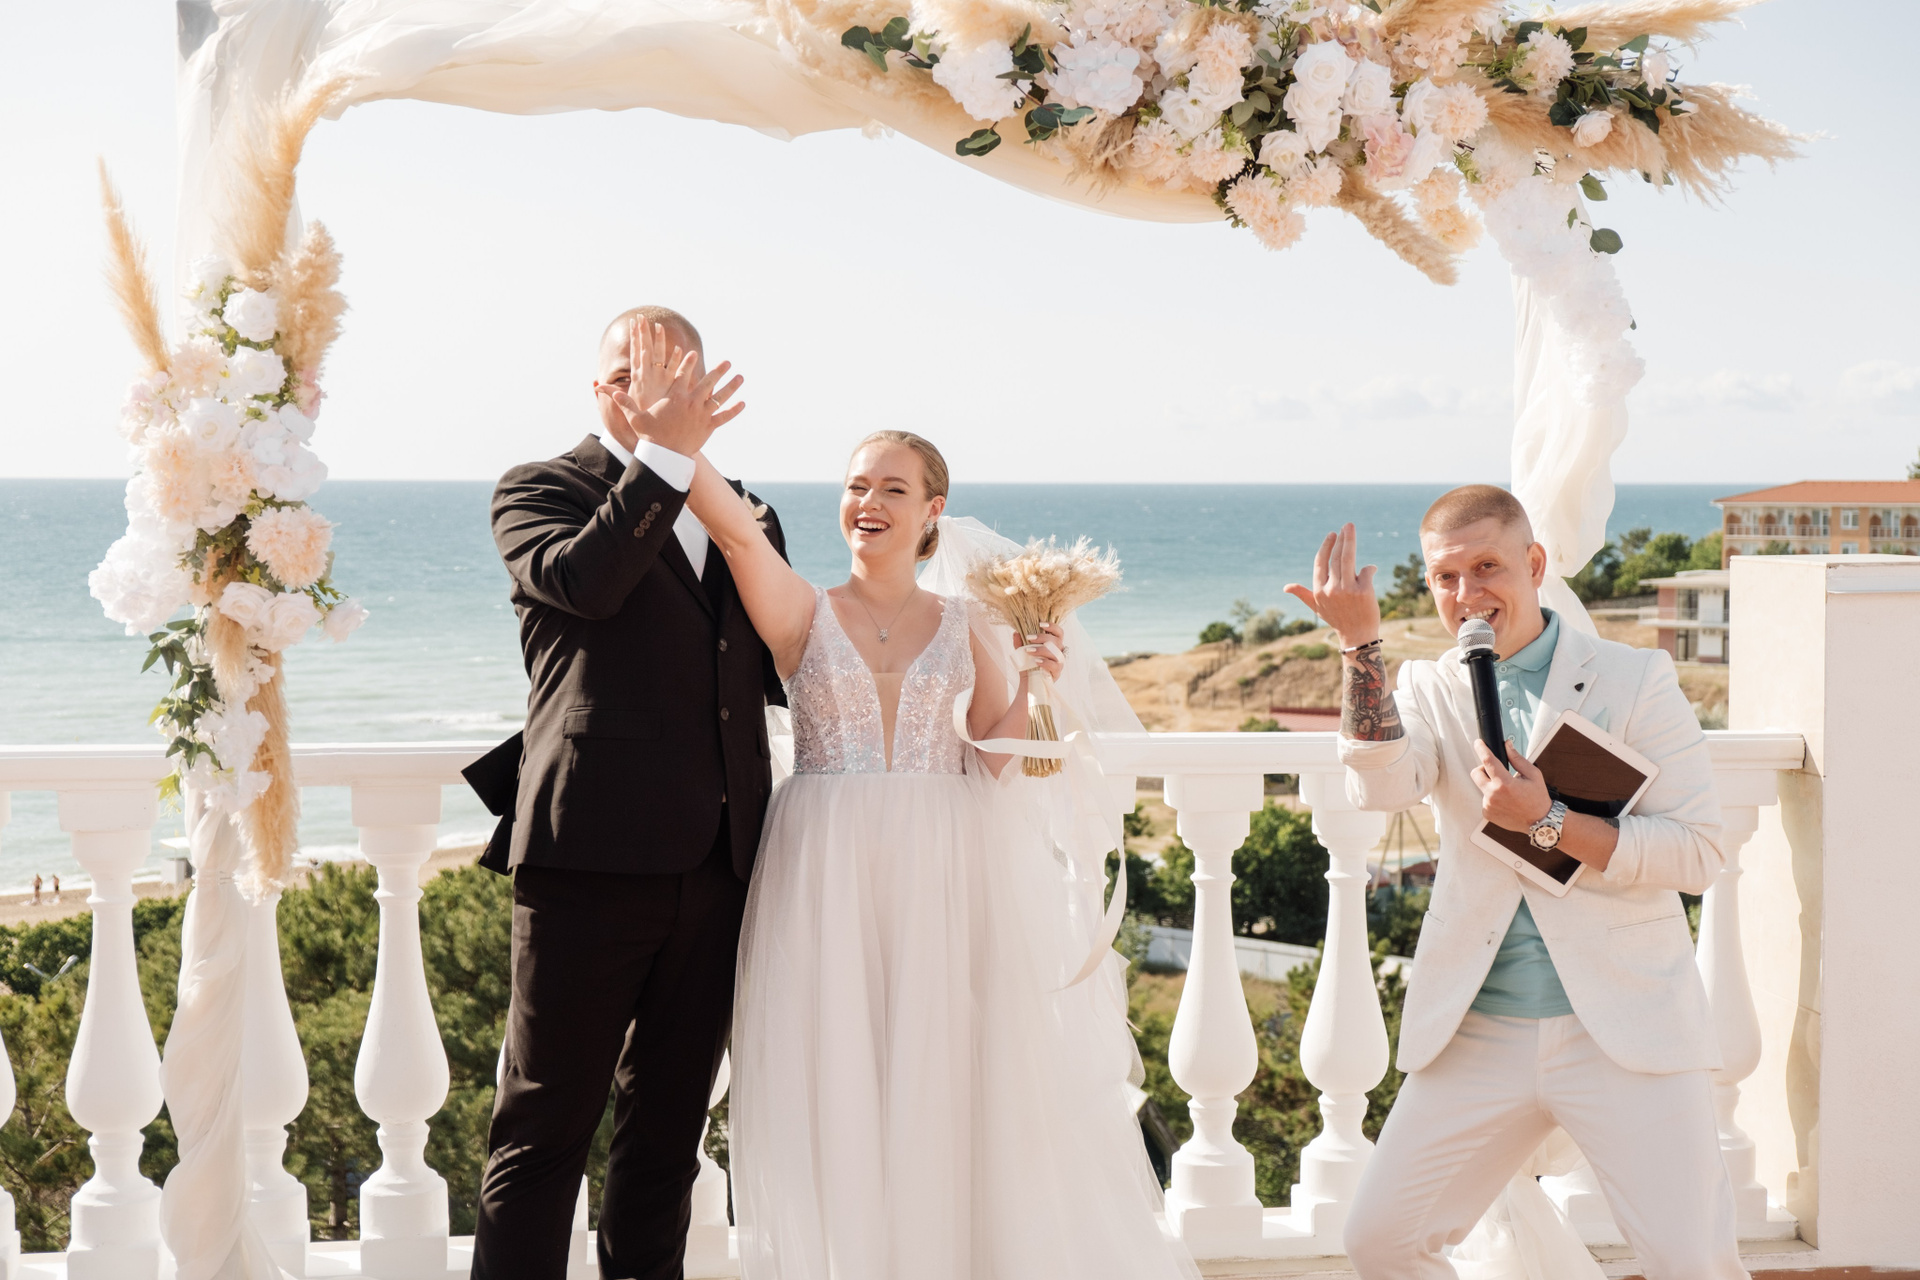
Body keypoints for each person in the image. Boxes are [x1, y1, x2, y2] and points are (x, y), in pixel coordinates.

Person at [682, 429, 1195, 1280]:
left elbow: (996, 762)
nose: (869, 503)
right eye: (856, 486)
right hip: (825, 871)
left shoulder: (968, 623)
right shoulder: (803, 610)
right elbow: (736, 534)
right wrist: (673, 440)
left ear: (932, 510)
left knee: (947, 1078)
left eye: (893, 488)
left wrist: (1034, 681)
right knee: (838, 1077)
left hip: (947, 872)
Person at [1283, 485, 1744, 1280]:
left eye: (1487, 567)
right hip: (1477, 1028)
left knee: (1690, 1261)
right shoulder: (1429, 687)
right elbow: (1381, 787)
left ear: (1533, 564)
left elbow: (1698, 853)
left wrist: (1550, 820)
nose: (1466, 593)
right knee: (1381, 1242)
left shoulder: (1634, 679)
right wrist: (1360, 647)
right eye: (1444, 577)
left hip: (1625, 1026)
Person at [472, 308, 780, 1280]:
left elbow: (790, 660)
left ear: (704, 387)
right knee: (543, 1130)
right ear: (598, 388)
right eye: (626, 377)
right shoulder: (539, 489)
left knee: (667, 1138)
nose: (647, 395)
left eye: (670, 379)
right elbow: (588, 583)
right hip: (587, 859)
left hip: (722, 864)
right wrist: (663, 458)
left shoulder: (749, 512)